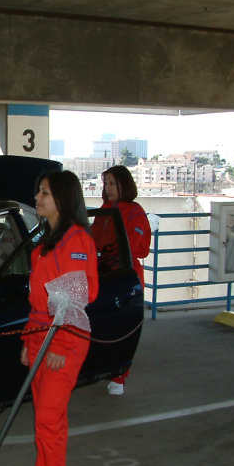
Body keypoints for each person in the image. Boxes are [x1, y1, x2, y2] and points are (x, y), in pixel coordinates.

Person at [15, 170, 98, 466]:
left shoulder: (76, 241)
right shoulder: (47, 240)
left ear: (62, 199)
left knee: (49, 421)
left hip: (63, 339)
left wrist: (60, 344)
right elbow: (38, 300)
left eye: (44, 193)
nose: (37, 198)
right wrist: (27, 339)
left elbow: (76, 299)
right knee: (47, 419)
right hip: (40, 334)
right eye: (38, 192)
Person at [90, 165, 151, 395]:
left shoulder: (135, 212)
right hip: (102, 274)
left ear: (124, 185)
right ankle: (105, 367)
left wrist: (108, 252)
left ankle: (119, 376)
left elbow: (138, 247)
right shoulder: (104, 210)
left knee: (124, 327)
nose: (108, 188)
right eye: (106, 183)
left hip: (125, 275)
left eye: (113, 183)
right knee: (101, 326)